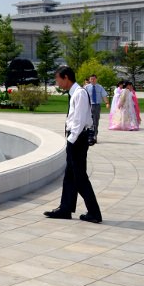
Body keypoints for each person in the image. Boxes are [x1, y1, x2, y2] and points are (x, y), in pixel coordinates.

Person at [44, 66, 102, 223]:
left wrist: (70, 140)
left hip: (77, 139)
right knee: (70, 175)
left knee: (79, 177)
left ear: (66, 78)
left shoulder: (80, 94)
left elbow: (80, 121)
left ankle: (94, 212)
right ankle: (66, 208)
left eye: (58, 79)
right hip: (75, 138)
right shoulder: (74, 93)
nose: (57, 82)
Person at [85, 74, 108, 143]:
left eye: (94, 79)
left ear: (96, 79)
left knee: (95, 121)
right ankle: (88, 135)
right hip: (88, 106)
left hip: (97, 106)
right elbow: (82, 96)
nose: (92, 80)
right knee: (88, 121)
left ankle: (95, 135)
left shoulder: (100, 87)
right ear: (89, 80)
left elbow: (104, 95)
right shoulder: (86, 87)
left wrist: (107, 103)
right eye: (91, 79)